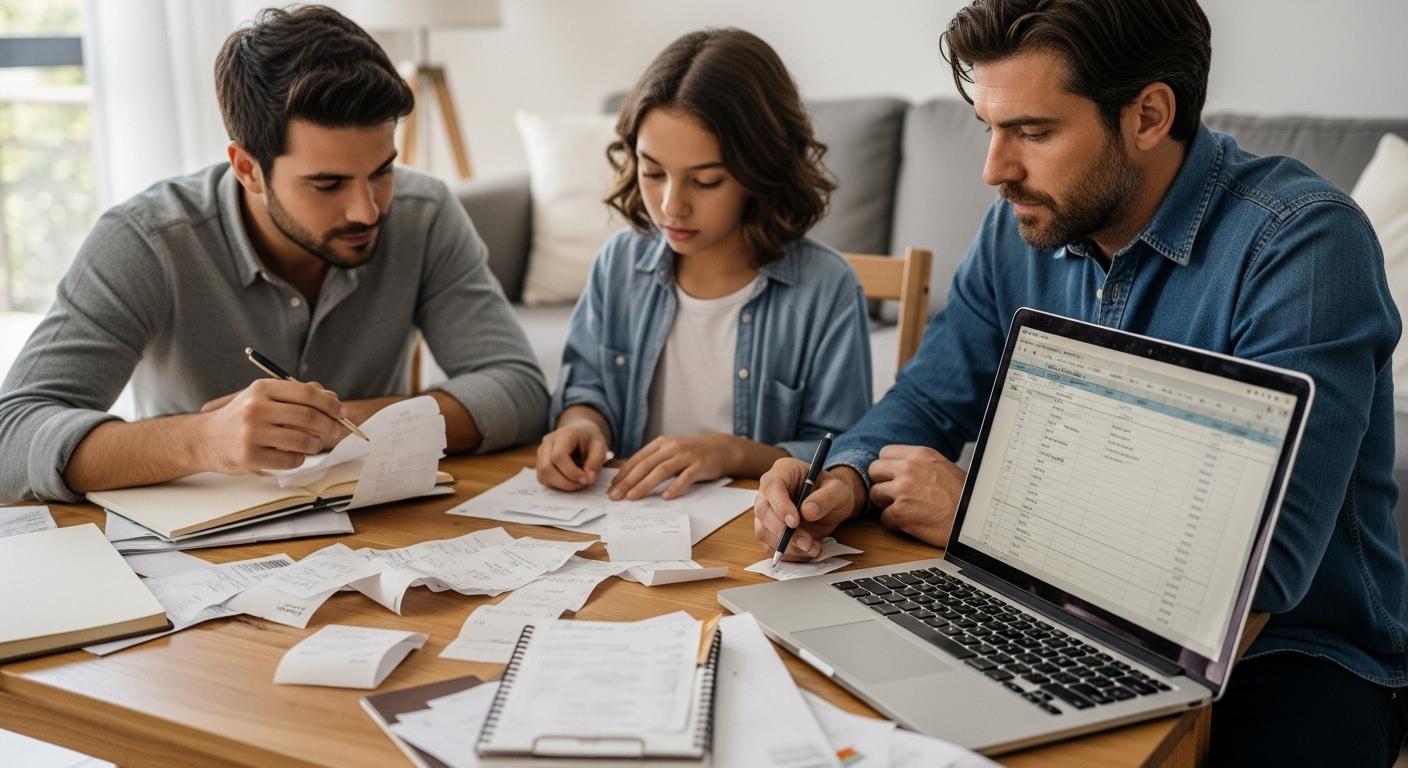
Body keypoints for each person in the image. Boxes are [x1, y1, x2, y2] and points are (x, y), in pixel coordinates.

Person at [751, 0, 1408, 763]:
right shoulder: (1021, 224)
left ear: (1149, 115)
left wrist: (984, 519)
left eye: (1032, 132)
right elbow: (929, 397)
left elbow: (1267, 567)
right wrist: (842, 477)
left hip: (1291, 656)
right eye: (988, 128)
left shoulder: (1303, 245)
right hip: (1045, 615)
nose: (994, 170)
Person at [0, 5, 548, 502]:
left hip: (381, 529)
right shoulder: (147, 240)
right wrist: (201, 440)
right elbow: (12, 437)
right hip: (195, 543)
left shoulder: (423, 213)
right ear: (247, 169)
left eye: (382, 171)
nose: (367, 210)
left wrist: (340, 424)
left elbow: (519, 389)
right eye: (328, 184)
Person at [536, 28, 871, 502]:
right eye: (652, 172)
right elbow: (586, 389)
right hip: (627, 520)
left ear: (761, 170)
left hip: (756, 531)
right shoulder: (618, 265)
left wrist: (731, 452)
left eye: (706, 181)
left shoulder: (827, 289)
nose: (671, 206)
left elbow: (841, 454)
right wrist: (582, 424)